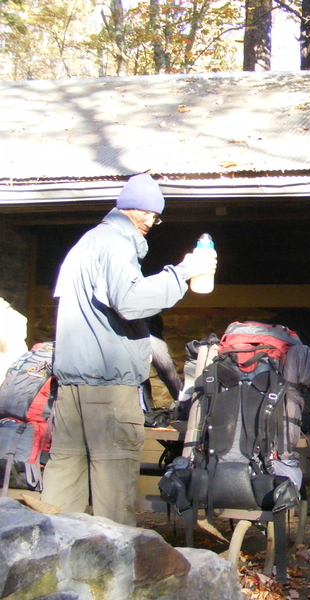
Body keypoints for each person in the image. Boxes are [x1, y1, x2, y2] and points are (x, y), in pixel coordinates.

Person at [41, 173, 217, 526]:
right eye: (153, 215)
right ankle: (114, 574)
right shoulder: (117, 244)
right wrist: (183, 272)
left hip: (72, 387)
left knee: (64, 483)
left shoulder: (88, 242)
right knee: (113, 488)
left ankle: (52, 564)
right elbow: (131, 301)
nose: (153, 222)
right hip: (108, 385)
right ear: (139, 211)